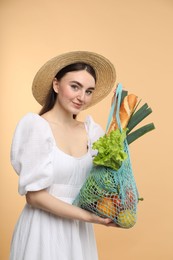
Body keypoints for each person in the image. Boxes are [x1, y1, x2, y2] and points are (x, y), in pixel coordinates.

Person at [10, 51, 117, 260]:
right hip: (42, 231)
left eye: (88, 91)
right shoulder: (37, 127)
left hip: (78, 233)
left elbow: (104, 178)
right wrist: (89, 217)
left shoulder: (92, 132)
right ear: (56, 85)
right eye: (75, 86)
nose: (81, 97)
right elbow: (35, 197)